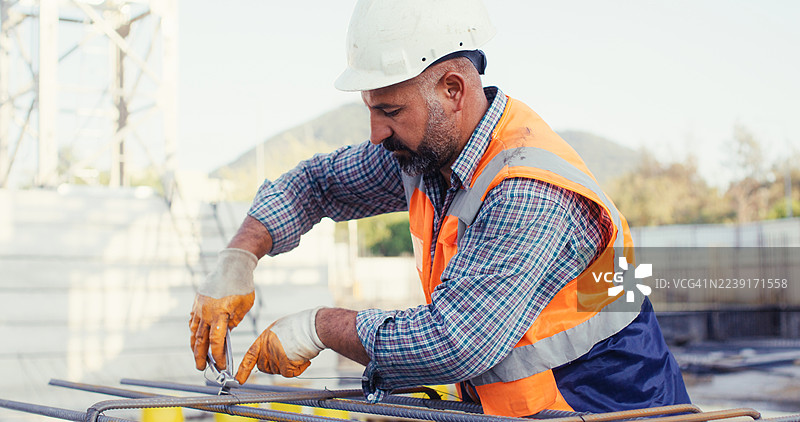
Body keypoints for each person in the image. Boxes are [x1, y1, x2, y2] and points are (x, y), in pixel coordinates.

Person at [189, 0, 690, 416]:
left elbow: (454, 342)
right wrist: (238, 259)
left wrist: (318, 327)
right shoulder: (427, 155)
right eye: (370, 109)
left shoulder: (528, 185)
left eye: (390, 111)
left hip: (610, 406)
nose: (376, 133)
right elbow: (315, 185)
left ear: (452, 89)